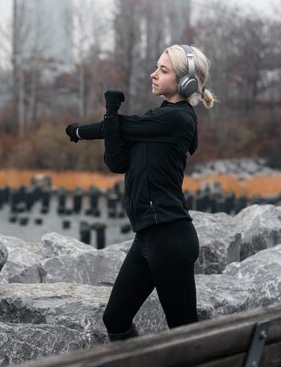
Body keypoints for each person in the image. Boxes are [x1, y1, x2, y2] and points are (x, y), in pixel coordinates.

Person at [65, 44, 216, 341]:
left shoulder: (177, 118)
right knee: (115, 319)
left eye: (163, 70)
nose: (154, 74)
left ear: (185, 81)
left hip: (170, 236)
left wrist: (88, 127)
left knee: (184, 335)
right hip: (147, 236)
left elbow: (121, 125)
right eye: (156, 67)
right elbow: (116, 162)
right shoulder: (155, 122)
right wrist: (101, 121)